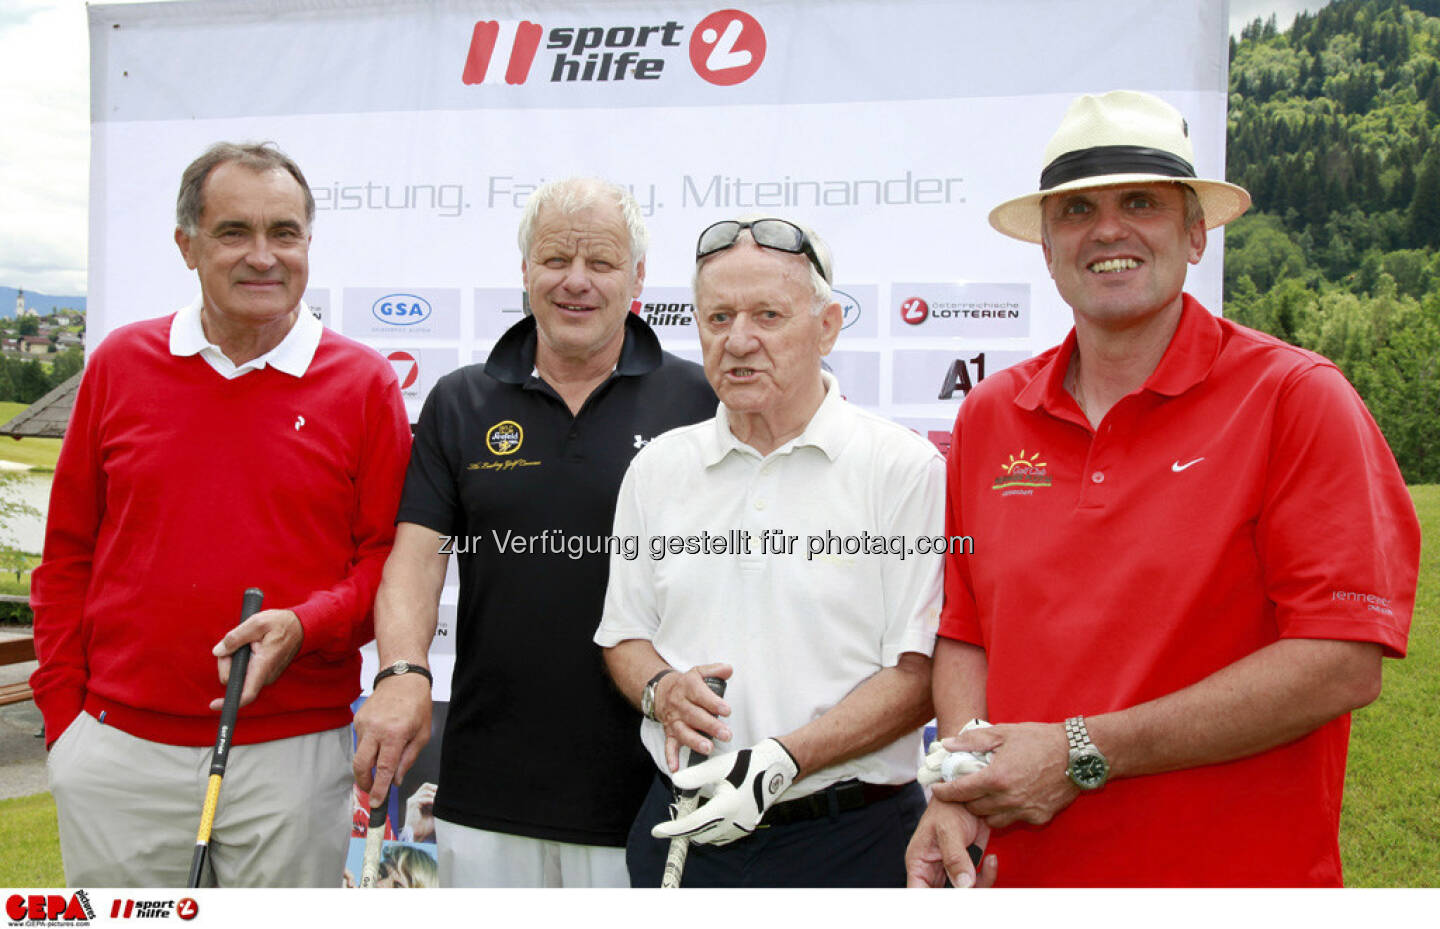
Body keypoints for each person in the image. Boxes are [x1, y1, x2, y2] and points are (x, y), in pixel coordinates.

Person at [905, 90, 1420, 888]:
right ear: (1047, 247)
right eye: (1076, 210)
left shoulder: (1295, 397)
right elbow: (968, 628)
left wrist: (1081, 750)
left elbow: (1341, 660)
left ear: (1194, 234)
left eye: (1140, 201)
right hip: (1020, 879)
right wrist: (961, 785)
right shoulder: (989, 413)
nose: (1108, 230)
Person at [31, 141, 412, 887]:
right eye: (234, 232)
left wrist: (307, 623)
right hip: (117, 752)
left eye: (285, 233)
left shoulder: (363, 383)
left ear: (308, 243)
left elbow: (386, 564)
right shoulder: (119, 361)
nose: (263, 256)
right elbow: (68, 552)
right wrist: (64, 719)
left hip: (291, 759)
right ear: (188, 245)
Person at [351, 177, 715, 887]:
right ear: (524, 271)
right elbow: (416, 560)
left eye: (602, 263)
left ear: (639, 278)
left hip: (653, 790)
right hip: (487, 790)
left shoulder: (701, 399)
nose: (576, 281)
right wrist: (400, 671)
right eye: (554, 259)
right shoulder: (460, 400)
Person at [596, 217, 944, 887]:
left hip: (850, 841)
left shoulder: (902, 468)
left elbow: (921, 673)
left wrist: (784, 758)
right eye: (718, 316)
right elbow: (624, 637)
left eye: (768, 314)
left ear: (829, 325)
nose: (739, 340)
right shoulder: (660, 468)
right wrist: (662, 689)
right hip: (682, 835)